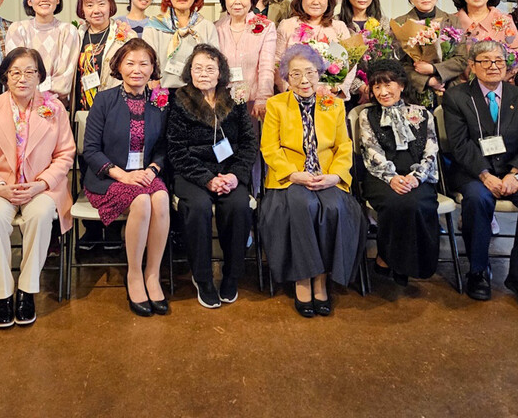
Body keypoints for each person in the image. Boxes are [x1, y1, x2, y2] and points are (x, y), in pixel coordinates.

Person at [0, 47, 75, 329]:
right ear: (5, 77)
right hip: (0, 186)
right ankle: (2, 294)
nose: (22, 78)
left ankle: (26, 290)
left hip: (42, 186)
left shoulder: (55, 108)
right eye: (15, 72)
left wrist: (41, 184)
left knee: (39, 215)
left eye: (29, 72)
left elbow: (65, 154)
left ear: (39, 77)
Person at [441, 40, 518, 311]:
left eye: (499, 61)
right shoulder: (456, 97)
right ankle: (478, 271)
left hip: (515, 171)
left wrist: (515, 175)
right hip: (473, 171)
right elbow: (460, 144)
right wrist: (484, 174)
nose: (493, 66)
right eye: (485, 61)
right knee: (478, 200)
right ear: (472, 66)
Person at [260, 44, 365, 318]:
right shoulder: (276, 105)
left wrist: (334, 176)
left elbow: (344, 146)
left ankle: (322, 278)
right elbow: (269, 148)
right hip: (290, 178)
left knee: (333, 208)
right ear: (286, 77)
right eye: (295, 74)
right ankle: (303, 279)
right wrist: (294, 174)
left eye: (310, 73)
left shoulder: (334, 104)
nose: (304, 80)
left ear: (320, 73)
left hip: (326, 175)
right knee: (302, 205)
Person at [82, 39, 170, 316]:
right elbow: (91, 150)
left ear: (153, 68)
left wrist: (153, 169)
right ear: (119, 66)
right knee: (142, 202)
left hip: (145, 172)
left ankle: (152, 275)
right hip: (109, 175)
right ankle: (133, 274)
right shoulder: (105, 100)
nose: (137, 69)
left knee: (161, 198)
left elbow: (165, 146)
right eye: (130, 63)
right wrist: (123, 176)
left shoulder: (160, 101)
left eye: (144, 63)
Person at [167, 45, 256, 309]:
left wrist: (235, 176)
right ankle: (203, 278)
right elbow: (176, 150)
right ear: (189, 71)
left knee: (238, 205)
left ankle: (232, 275)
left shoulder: (235, 99)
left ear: (221, 73)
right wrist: (207, 179)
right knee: (198, 206)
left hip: (229, 171)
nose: (203, 74)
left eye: (210, 68)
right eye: (198, 68)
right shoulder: (179, 101)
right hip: (191, 172)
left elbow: (249, 144)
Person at [358, 59, 440, 285]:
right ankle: (396, 262)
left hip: (418, 177)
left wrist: (416, 177)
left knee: (418, 203)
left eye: (388, 85)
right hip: (381, 176)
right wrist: (392, 177)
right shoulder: (367, 115)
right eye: (376, 87)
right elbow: (371, 150)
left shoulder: (423, 113)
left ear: (402, 85)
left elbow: (431, 149)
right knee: (398, 203)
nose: (383, 92)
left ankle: (390, 259)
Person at [391, 0, 468, 102]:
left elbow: (462, 59)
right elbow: (397, 64)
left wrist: (434, 70)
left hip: (449, 90)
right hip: (414, 93)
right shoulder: (401, 23)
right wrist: (427, 80)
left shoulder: (452, 21)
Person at [275, 0, 353, 97]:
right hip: (294, 97)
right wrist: (289, 87)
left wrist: (336, 88)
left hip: (329, 98)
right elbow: (276, 62)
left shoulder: (339, 27)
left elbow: (351, 63)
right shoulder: (287, 25)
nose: (315, 1)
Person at [214, 0, 278, 121]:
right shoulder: (215, 28)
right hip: (222, 104)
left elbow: (266, 67)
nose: (237, 1)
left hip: (254, 104)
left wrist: (263, 98)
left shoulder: (266, 27)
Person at [5, 0, 80, 101]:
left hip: (55, 104)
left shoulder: (68, 31)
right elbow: (16, 74)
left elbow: (64, 80)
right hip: (21, 102)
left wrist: (39, 95)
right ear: (29, 0)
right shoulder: (17, 29)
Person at [143, 0, 219, 90]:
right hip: (162, 94)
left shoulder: (207, 27)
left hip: (199, 95)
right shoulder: (154, 27)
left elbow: (214, 65)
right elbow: (146, 63)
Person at [73, 0, 131, 113]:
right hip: (81, 109)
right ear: (82, 9)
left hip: (114, 109)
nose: (96, 10)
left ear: (110, 5)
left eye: (101, 4)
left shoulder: (126, 37)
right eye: (89, 5)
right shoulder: (76, 35)